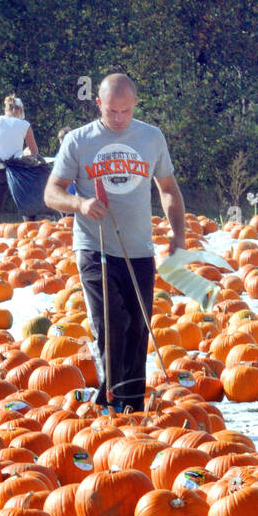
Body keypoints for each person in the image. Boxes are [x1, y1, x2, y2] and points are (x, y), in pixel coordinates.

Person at [45, 73, 186, 414]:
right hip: (96, 246)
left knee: (138, 329)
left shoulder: (151, 138)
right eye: (111, 111)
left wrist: (178, 235)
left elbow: (167, 188)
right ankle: (109, 399)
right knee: (111, 323)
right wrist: (80, 203)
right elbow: (52, 192)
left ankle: (132, 408)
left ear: (135, 103)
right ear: (98, 105)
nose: (119, 118)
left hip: (138, 248)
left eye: (125, 111)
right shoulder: (79, 141)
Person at [0, 95, 38, 234]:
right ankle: (30, 234)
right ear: (19, 110)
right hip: (16, 170)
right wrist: (24, 152)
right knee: (25, 203)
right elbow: (34, 151)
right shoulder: (24, 125)